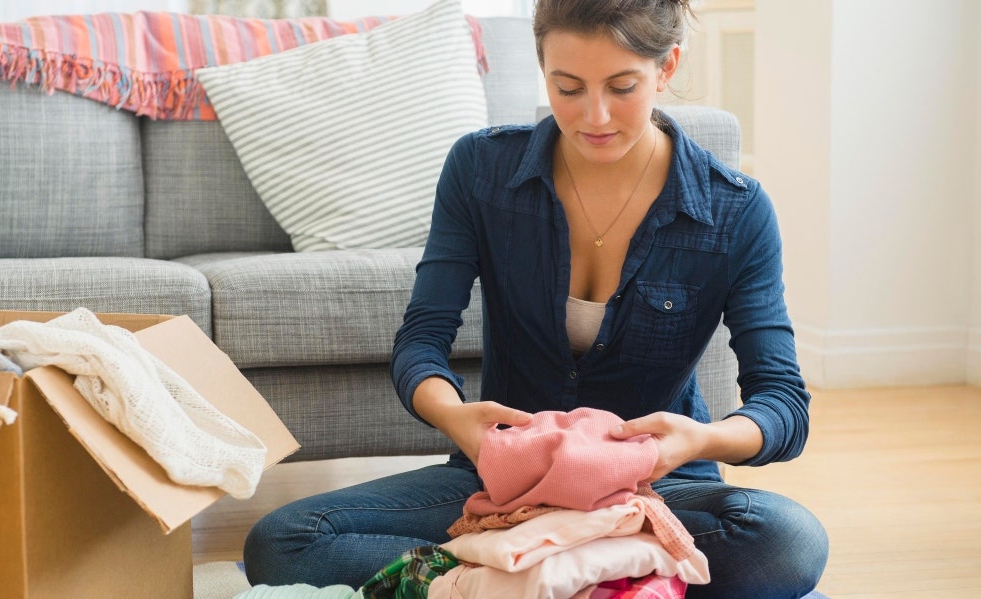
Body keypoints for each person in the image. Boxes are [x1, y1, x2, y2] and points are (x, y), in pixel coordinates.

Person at [243, 0, 829, 596]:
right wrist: (456, 421)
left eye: (622, 87)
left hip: (654, 488)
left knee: (789, 541)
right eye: (567, 87)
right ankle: (594, 570)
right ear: (541, 67)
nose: (594, 115)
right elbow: (422, 340)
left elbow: (783, 404)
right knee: (285, 543)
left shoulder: (735, 210)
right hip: (503, 484)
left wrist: (697, 441)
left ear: (667, 66)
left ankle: (506, 574)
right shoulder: (481, 169)